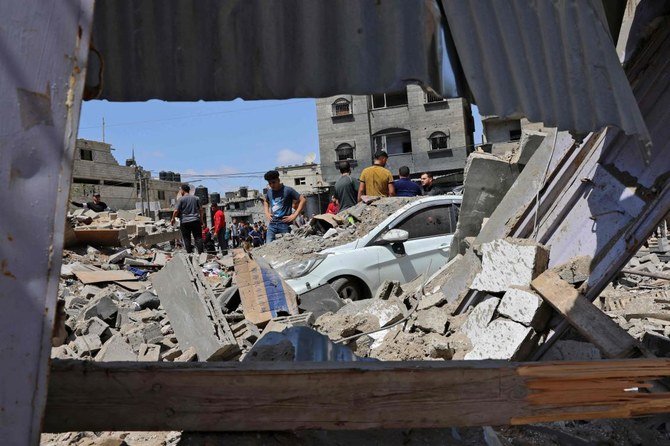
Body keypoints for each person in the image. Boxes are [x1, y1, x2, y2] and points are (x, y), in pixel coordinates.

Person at [263, 170, 306, 243]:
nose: (272, 185)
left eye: (273, 182)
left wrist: (295, 215)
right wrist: (266, 213)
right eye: (269, 183)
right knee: (268, 245)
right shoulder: (269, 192)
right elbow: (266, 201)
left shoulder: (288, 190)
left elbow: (303, 200)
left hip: (285, 223)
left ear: (278, 180)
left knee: (287, 245)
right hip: (272, 224)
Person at [170, 184, 204, 254]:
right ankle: (201, 254)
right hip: (195, 220)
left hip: (185, 222)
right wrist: (201, 219)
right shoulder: (196, 198)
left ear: (182, 190)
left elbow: (176, 211)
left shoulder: (181, 199)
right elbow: (201, 210)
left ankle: (189, 255)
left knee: (187, 239)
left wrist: (172, 219)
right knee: (198, 238)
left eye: (181, 190)